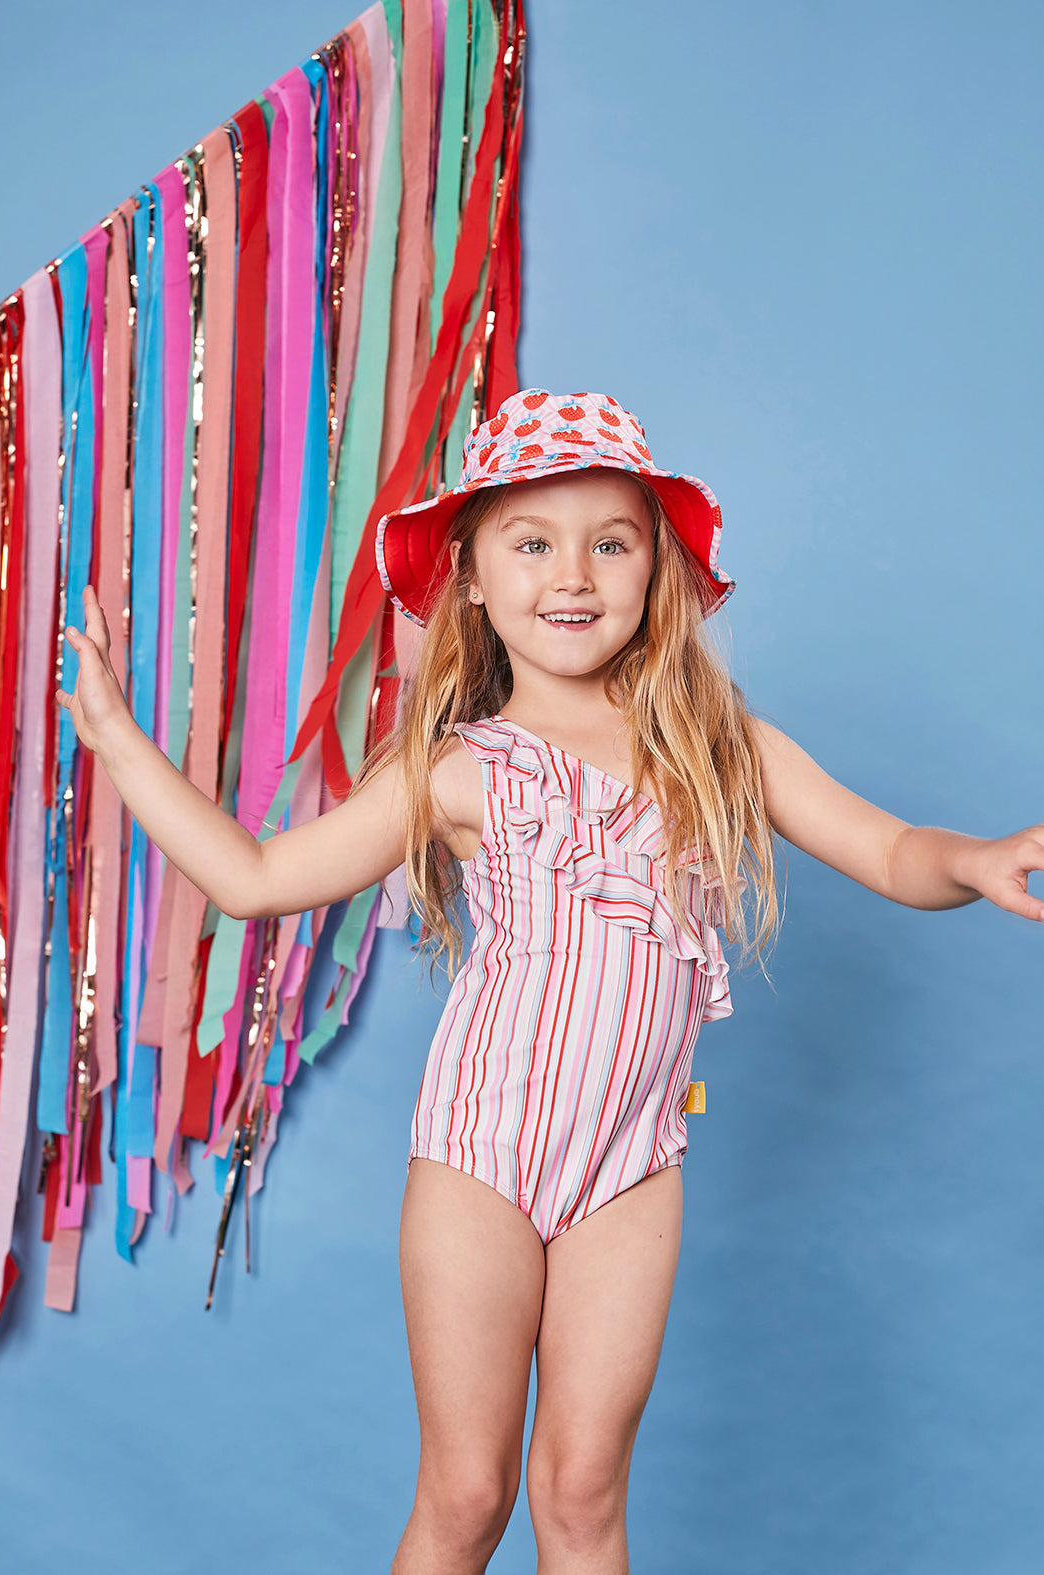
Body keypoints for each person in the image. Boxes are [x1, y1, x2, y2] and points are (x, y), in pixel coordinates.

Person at [58, 388, 1043, 1574]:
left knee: (581, 1494)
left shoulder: (716, 746)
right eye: (533, 543)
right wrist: (116, 738)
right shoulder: (461, 770)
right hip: (481, 1151)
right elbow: (256, 878)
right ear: (471, 576)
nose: (573, 574)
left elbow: (891, 851)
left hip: (631, 1165)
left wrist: (977, 860)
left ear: (655, 569)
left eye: (610, 543)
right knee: (469, 1492)